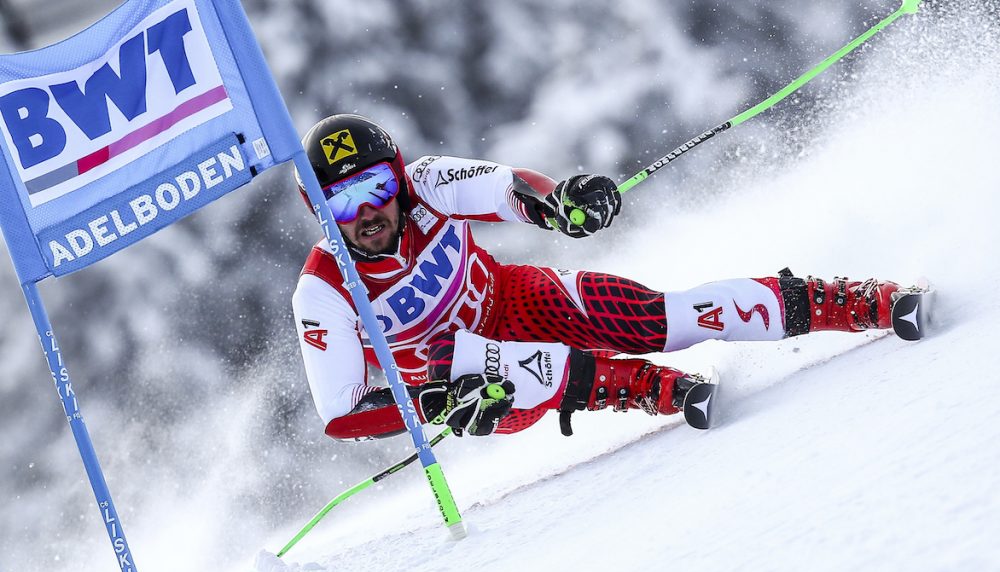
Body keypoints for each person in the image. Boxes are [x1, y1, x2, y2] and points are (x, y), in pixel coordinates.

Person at [292, 114, 909, 440]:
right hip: (471, 387)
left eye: (375, 187)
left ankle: (855, 303)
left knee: (657, 318)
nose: (367, 212)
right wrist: (426, 406)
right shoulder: (323, 289)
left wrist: (559, 200)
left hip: (516, 299)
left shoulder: (426, 183)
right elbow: (342, 412)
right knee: (481, 362)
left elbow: (507, 188)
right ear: (319, 211)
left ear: (397, 178)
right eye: (342, 202)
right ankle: (644, 387)